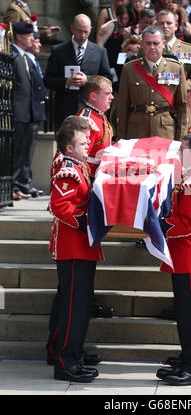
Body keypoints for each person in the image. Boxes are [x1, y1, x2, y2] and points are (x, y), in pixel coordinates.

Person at [156, 132, 191, 386]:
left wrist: (159, 226)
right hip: (185, 255)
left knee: (190, 313)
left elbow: (189, 224)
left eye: (183, 149)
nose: (178, 153)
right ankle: (190, 358)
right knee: (186, 312)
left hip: (189, 254)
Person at [48, 122, 103, 383]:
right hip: (72, 246)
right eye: (83, 144)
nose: (87, 146)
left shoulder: (79, 166)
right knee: (74, 308)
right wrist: (85, 221)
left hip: (82, 246)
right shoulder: (68, 171)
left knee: (79, 306)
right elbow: (60, 207)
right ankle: (65, 362)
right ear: (70, 148)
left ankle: (73, 354)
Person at [117, 25, 189, 140]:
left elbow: (182, 106)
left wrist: (181, 138)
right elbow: (123, 107)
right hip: (137, 131)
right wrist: (121, 138)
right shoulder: (129, 69)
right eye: (148, 43)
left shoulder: (175, 67)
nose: (152, 47)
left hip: (165, 130)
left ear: (164, 43)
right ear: (141, 44)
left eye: (156, 43)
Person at [44, 14, 112, 132]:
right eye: (79, 31)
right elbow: (48, 80)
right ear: (72, 29)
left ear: (91, 29)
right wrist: (66, 82)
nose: (82, 35)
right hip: (65, 110)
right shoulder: (58, 51)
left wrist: (89, 81)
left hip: (90, 109)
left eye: (86, 32)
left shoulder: (99, 52)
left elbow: (107, 78)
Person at [11, 22, 46, 200]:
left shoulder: (25, 56)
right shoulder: (12, 54)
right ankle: (15, 185)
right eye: (29, 35)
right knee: (17, 151)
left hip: (30, 111)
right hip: (19, 111)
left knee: (26, 151)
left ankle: (23, 183)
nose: (33, 39)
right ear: (19, 36)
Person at [157, 9, 191, 89]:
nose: (165, 26)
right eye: (161, 23)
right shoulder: (148, 48)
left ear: (176, 26)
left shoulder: (189, 49)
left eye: (169, 23)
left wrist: (180, 85)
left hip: (181, 98)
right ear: (157, 26)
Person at [77, 76, 114, 177]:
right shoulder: (87, 120)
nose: (112, 97)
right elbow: (80, 158)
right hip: (90, 176)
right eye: (107, 94)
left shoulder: (99, 114)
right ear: (93, 96)